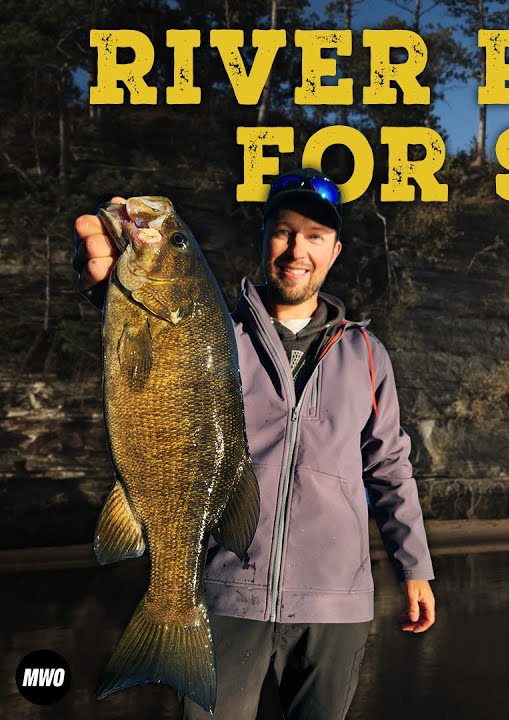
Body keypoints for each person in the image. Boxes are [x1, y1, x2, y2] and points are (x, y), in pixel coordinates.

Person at [73, 169, 437, 719]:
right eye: (284, 231)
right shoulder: (216, 333)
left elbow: (389, 467)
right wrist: (112, 293)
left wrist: (415, 567)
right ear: (263, 237)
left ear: (335, 251)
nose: (297, 251)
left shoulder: (367, 353)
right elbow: (152, 349)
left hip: (334, 605)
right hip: (225, 593)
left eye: (315, 236)